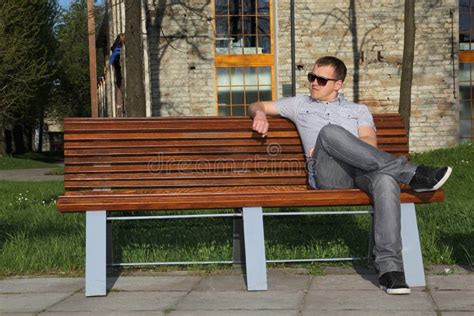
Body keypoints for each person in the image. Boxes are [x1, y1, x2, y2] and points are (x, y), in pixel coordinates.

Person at [248, 56, 452, 295]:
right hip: (327, 174)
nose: (314, 83)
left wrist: (342, 145)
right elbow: (257, 105)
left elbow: (369, 144)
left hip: (361, 171)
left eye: (321, 80)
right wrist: (259, 115)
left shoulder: (358, 110)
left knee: (386, 181)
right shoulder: (298, 104)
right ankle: (413, 173)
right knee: (329, 132)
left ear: (338, 84)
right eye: (311, 77)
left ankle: (390, 270)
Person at [108, 33, 125, 116]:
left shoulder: (115, 46)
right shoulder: (118, 47)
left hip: (117, 70)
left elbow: (111, 60)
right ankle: (120, 106)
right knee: (120, 87)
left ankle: (119, 106)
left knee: (118, 87)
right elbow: (112, 59)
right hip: (119, 70)